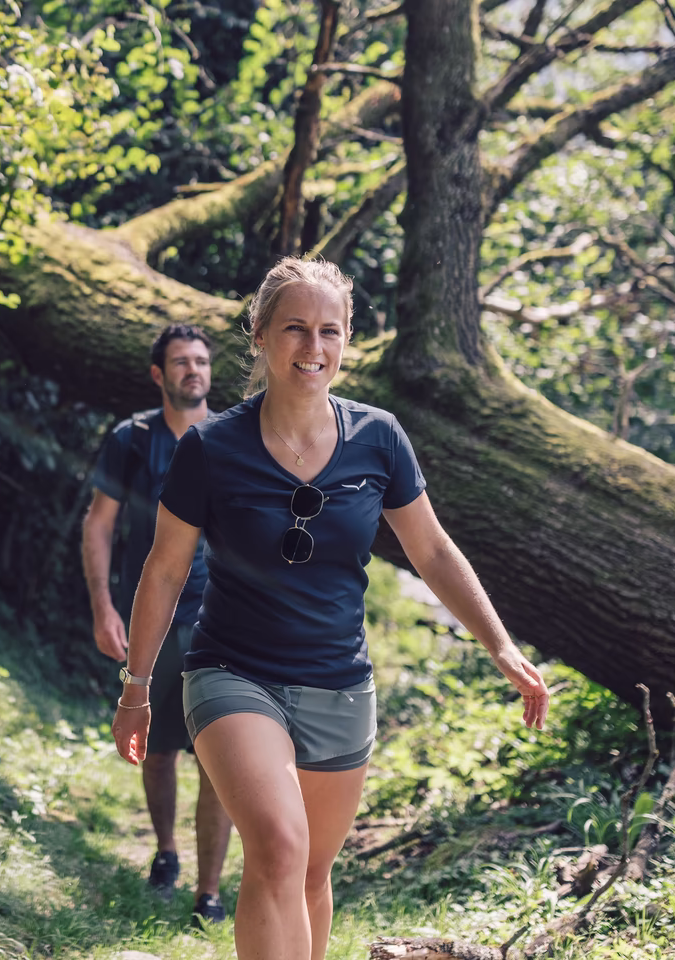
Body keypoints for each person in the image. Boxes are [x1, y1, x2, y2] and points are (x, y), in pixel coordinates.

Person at [110, 258, 550, 960]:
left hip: (340, 687)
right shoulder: (210, 449)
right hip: (232, 674)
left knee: (312, 870)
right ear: (258, 334)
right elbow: (163, 572)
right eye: (294, 328)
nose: (312, 347)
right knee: (279, 849)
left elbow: (432, 551)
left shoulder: (379, 439)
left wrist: (501, 646)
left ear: (346, 341)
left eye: (329, 331)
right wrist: (137, 689)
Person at [81, 324, 235, 924]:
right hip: (151, 615)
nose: (193, 370)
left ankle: (211, 891)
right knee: (158, 746)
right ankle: (167, 853)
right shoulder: (133, 439)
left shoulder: (233, 437)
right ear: (158, 374)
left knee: (218, 754)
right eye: (180, 362)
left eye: (201, 361)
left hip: (221, 618)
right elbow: (99, 523)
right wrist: (102, 605)